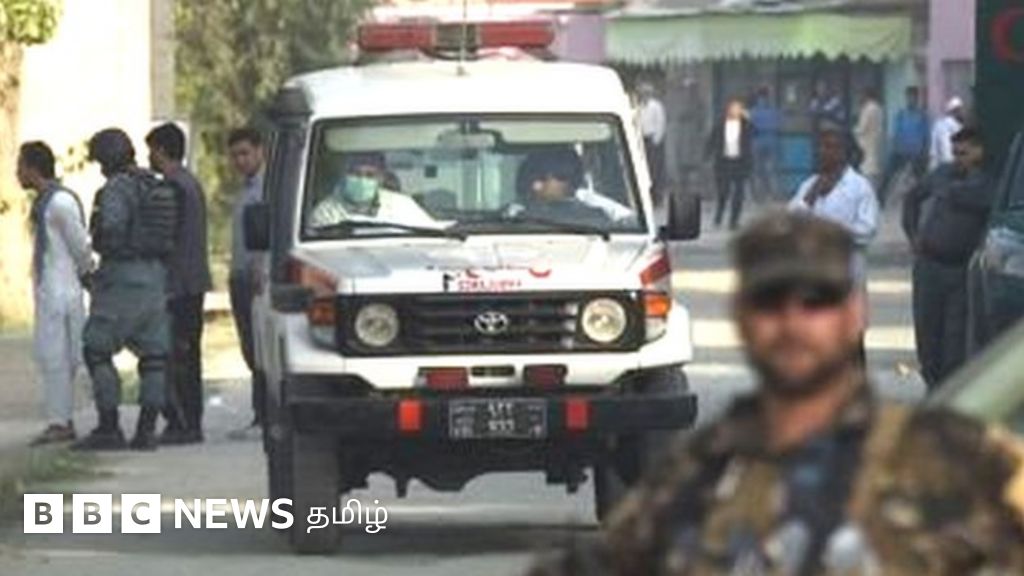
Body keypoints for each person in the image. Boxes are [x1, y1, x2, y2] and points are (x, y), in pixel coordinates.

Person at [527, 212, 1024, 576]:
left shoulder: (955, 461)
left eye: (816, 301)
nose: (792, 323)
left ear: (855, 312)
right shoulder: (696, 480)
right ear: (741, 316)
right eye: (770, 301)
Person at [74, 129, 171, 451]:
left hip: (122, 277)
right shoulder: (157, 184)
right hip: (155, 277)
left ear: (107, 158)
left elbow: (111, 231)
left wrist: (101, 246)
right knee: (154, 357)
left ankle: (109, 426)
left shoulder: (116, 188)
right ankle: (146, 430)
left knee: (96, 348)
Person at [903, 127, 995, 390]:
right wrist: (913, 234)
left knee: (953, 342)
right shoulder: (942, 173)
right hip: (928, 264)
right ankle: (932, 386)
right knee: (926, 333)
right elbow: (912, 198)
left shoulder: (986, 184)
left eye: (964, 153)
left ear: (979, 152)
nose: (958, 159)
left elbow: (981, 205)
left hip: (958, 269)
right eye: (955, 153)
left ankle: (946, 391)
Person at [17, 142, 92, 445]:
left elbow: (80, 246)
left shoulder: (60, 202)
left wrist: (87, 274)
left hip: (64, 291)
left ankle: (62, 421)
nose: (17, 173)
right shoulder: (44, 203)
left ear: (33, 168)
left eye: (21, 167)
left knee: (62, 357)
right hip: (51, 290)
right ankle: (60, 419)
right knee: (51, 356)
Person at [145, 122, 212, 445]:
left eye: (151, 151)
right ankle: (189, 421)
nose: (149, 158)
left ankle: (183, 423)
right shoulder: (190, 183)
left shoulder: (172, 187)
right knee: (188, 355)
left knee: (177, 356)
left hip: (178, 283)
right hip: (193, 281)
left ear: (161, 150)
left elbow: (163, 237)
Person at [789, 129, 879, 269]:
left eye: (829, 147)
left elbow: (868, 229)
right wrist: (811, 195)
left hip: (846, 266)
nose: (822, 152)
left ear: (844, 153)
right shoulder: (809, 184)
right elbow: (791, 220)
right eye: (820, 146)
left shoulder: (860, 186)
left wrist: (832, 231)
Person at [226, 127, 266, 434]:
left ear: (260, 151)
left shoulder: (267, 189)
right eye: (235, 155)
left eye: (245, 153)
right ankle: (259, 412)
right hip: (240, 276)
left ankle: (264, 413)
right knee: (249, 347)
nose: (240, 161)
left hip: (258, 279)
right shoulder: (245, 189)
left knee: (260, 348)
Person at [309, 152, 435, 228]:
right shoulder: (326, 212)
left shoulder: (402, 205)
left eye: (370, 175)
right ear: (344, 175)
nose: (362, 180)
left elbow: (428, 233)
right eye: (356, 174)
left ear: (381, 178)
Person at [514, 148, 612, 227]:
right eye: (531, 179)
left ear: (567, 180)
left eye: (542, 178)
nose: (534, 186)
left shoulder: (595, 219)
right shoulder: (516, 218)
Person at [705, 99, 754, 230]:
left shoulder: (745, 125)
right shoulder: (720, 124)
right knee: (723, 192)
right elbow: (711, 140)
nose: (735, 112)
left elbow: (755, 132)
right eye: (733, 109)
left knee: (739, 193)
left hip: (740, 162)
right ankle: (719, 215)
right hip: (723, 162)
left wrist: (748, 118)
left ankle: (734, 220)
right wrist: (706, 156)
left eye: (738, 109)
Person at [878, 86, 930, 207]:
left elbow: (926, 136)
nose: (911, 100)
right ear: (906, 98)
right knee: (887, 174)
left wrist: (925, 152)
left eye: (913, 97)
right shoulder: (901, 115)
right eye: (909, 97)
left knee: (922, 180)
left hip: (917, 153)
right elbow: (895, 133)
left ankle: (921, 203)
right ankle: (880, 198)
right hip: (900, 151)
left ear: (917, 98)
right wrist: (894, 147)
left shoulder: (922, 116)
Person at [749, 86, 782, 202]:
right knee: (771, 170)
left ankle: (760, 196)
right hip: (771, 141)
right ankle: (774, 195)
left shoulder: (753, 111)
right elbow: (779, 124)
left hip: (757, 142)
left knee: (758, 171)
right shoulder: (774, 111)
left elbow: (749, 127)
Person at [637, 83, 666, 195]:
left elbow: (660, 123)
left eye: (646, 93)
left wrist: (656, 140)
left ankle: (657, 193)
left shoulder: (656, 106)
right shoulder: (638, 106)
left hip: (652, 139)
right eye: (642, 93)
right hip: (641, 139)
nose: (643, 95)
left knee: (654, 168)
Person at [853, 87, 885, 192]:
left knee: (868, 185)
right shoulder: (879, 108)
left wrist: (853, 129)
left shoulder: (867, 109)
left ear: (866, 96)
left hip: (867, 153)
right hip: (877, 149)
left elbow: (861, 128)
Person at [930, 97, 966, 170]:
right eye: (959, 110)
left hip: (942, 165)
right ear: (954, 111)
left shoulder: (938, 124)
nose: (962, 113)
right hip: (953, 165)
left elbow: (933, 150)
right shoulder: (959, 128)